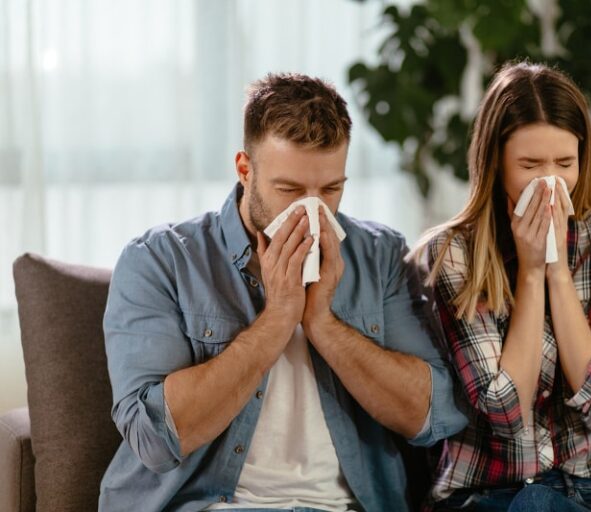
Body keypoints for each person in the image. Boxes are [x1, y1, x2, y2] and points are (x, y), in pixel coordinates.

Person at [99, 73, 467, 512]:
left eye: (331, 189)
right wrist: (277, 320)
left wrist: (322, 324)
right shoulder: (161, 261)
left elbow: (431, 416)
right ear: (244, 169)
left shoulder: (379, 255)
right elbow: (154, 438)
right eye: (289, 190)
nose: (312, 210)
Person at [414, 62, 591, 511]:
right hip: (481, 495)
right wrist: (530, 271)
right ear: (495, 165)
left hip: (586, 493)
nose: (550, 183)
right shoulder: (452, 252)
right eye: (529, 165)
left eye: (565, 163)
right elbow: (504, 412)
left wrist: (556, 269)